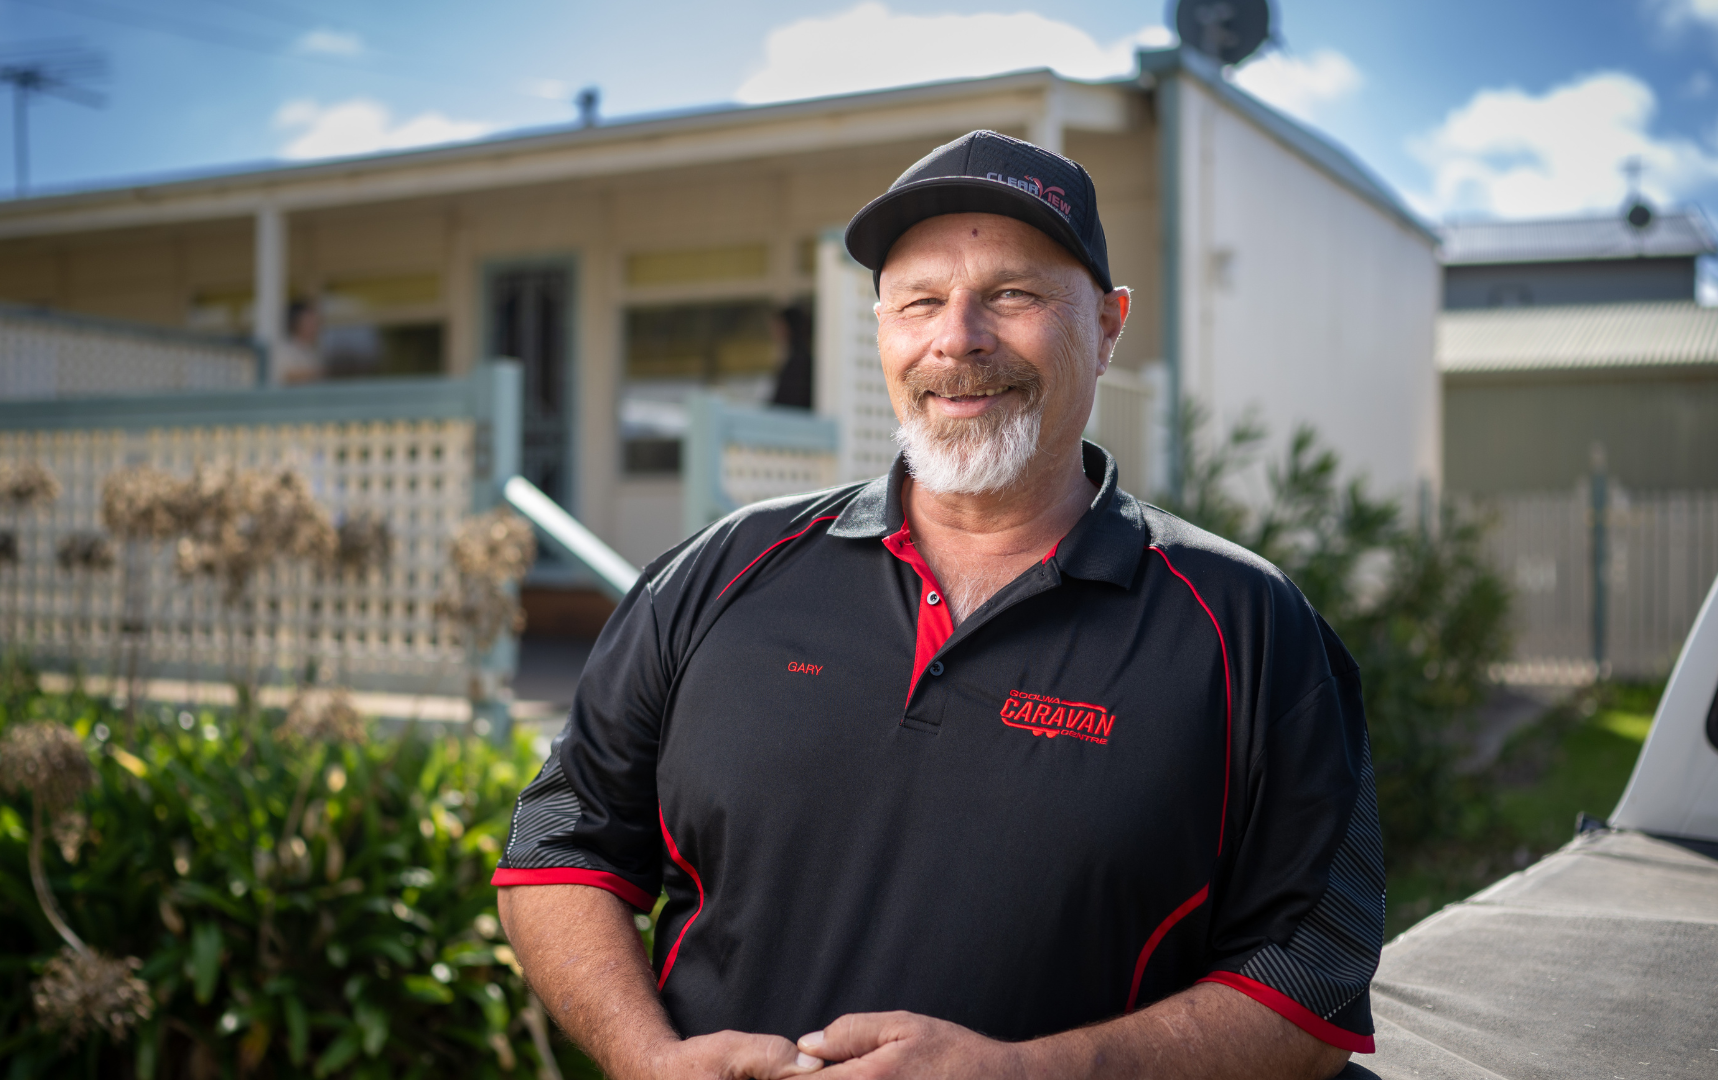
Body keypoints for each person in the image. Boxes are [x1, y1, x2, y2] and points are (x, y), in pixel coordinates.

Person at [495, 129, 1383, 1080]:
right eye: (919, 300)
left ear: (1110, 324)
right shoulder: (723, 571)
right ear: (882, 328)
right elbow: (559, 840)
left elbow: (1312, 979)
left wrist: (1025, 1075)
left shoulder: (1250, 628)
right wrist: (645, 1057)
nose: (957, 339)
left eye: (1013, 294)